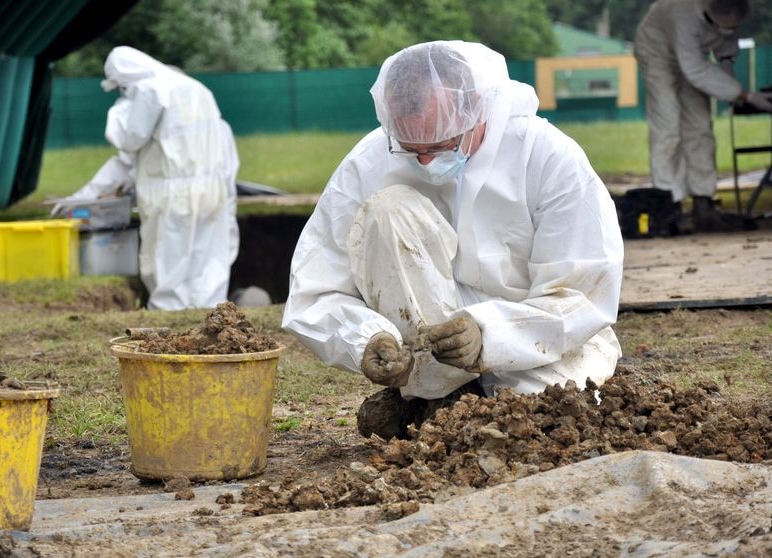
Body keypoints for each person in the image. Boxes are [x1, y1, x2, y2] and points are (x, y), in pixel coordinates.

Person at [281, 41, 624, 441]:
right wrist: (365, 338)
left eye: (441, 146)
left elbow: (581, 292)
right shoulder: (371, 160)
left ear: (479, 109)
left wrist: (490, 336)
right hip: (427, 360)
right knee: (387, 210)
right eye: (412, 150)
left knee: (548, 415)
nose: (426, 162)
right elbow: (315, 290)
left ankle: (432, 408)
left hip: (541, 344)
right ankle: (436, 396)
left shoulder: (547, 157)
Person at [53, 46, 239, 310]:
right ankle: (210, 318)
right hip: (214, 193)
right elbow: (126, 164)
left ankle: (169, 320)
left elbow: (127, 139)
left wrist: (122, 107)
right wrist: (78, 199)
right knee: (206, 261)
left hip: (171, 198)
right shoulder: (198, 91)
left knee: (168, 265)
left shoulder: (149, 89)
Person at [633, 0, 772, 232]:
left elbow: (724, 45)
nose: (731, 30)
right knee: (667, 127)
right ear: (712, 14)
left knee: (700, 127)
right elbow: (695, 70)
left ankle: (703, 204)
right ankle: (669, 205)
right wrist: (744, 94)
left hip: (692, 57)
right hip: (658, 53)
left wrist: (728, 71)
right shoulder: (684, 14)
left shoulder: (725, 11)